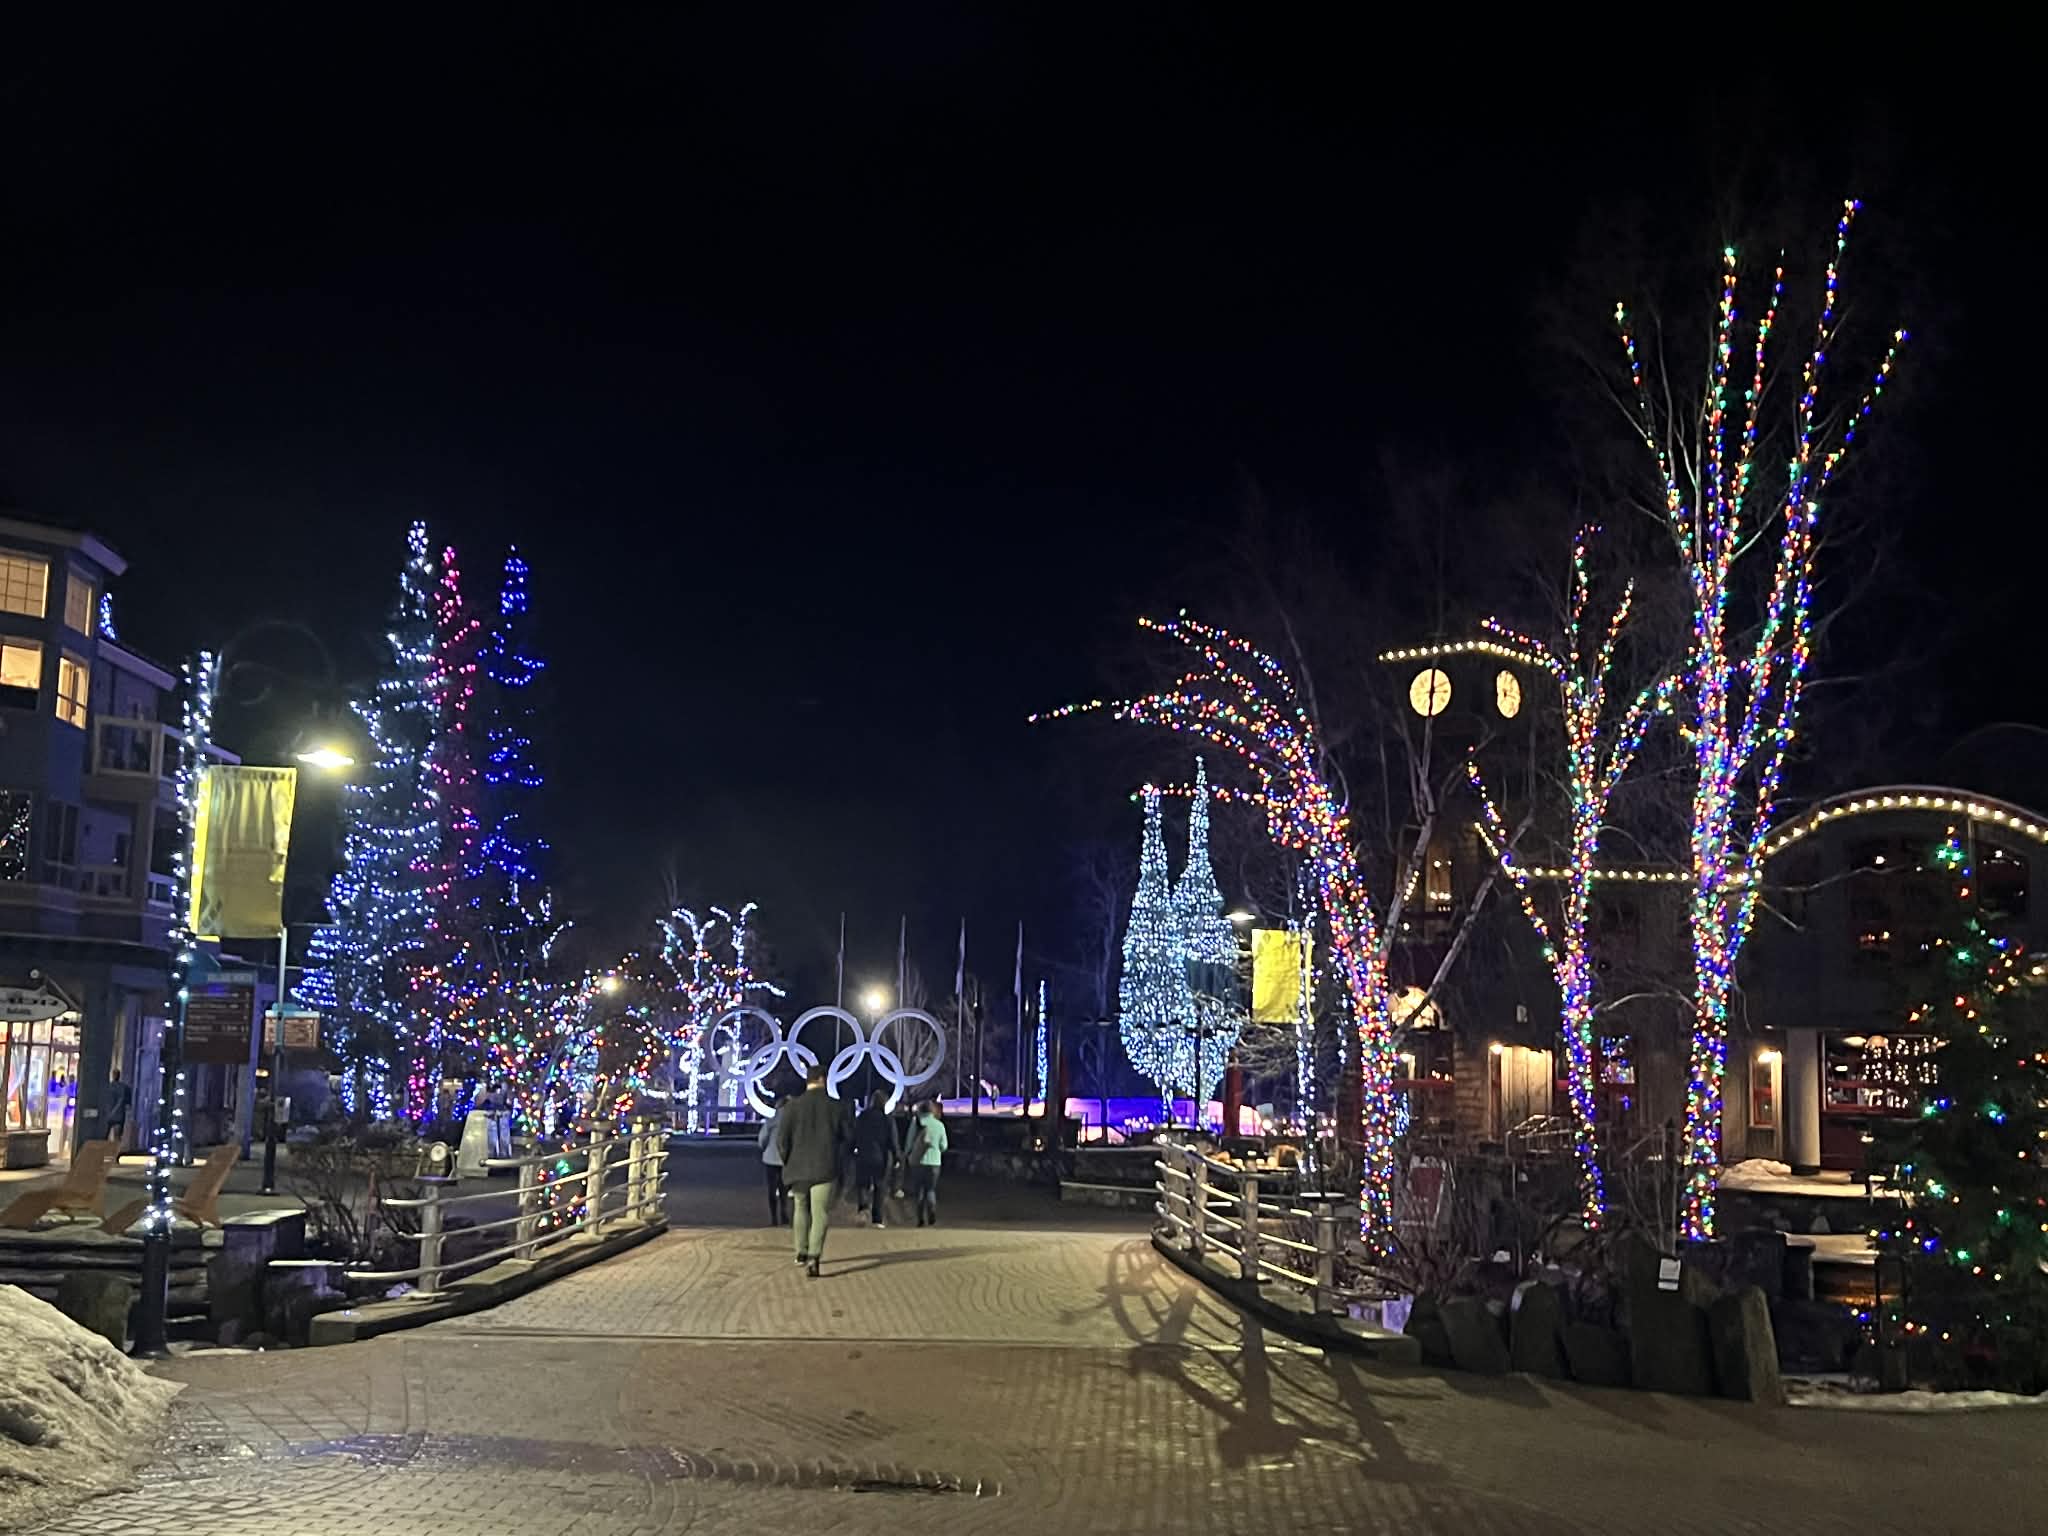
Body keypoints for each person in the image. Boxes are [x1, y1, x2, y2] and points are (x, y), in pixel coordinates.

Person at [774, 1064, 843, 1277]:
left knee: (800, 1208)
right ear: (823, 1079)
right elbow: (846, 1138)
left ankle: (800, 1252)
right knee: (820, 1212)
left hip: (797, 1168)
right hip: (825, 1167)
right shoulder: (835, 1107)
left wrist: (788, 1161)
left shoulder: (792, 1107)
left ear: (808, 1080)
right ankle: (814, 1257)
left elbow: (782, 1140)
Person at [852, 1090, 899, 1227]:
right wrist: (897, 1157)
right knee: (880, 1187)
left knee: (863, 1184)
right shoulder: (888, 1120)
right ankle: (877, 1219)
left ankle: (863, 1209)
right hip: (881, 1158)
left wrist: (851, 1150)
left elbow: (855, 1135)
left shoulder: (862, 1117)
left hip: (863, 1155)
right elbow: (892, 1141)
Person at [904, 1098, 949, 1228]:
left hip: (917, 1162)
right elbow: (944, 1146)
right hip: (934, 1162)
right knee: (930, 1190)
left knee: (919, 1191)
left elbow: (909, 1141)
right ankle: (932, 1213)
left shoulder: (916, 1122)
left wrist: (906, 1154)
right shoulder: (939, 1125)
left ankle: (920, 1219)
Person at [757, 1095, 788, 1225]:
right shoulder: (791, 1120)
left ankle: (774, 1216)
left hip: (770, 1157)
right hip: (785, 1158)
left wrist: (764, 1148)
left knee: (772, 1188)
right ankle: (784, 1214)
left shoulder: (771, 1120)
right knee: (784, 1188)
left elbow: (762, 1138)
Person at [102, 1068, 133, 1146]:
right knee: (117, 1136)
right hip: (119, 1115)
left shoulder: (108, 1087)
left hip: (110, 1114)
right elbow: (127, 1103)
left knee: (106, 1136)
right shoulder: (124, 1087)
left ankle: (107, 1152)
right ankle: (114, 1152)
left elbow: (105, 1100)